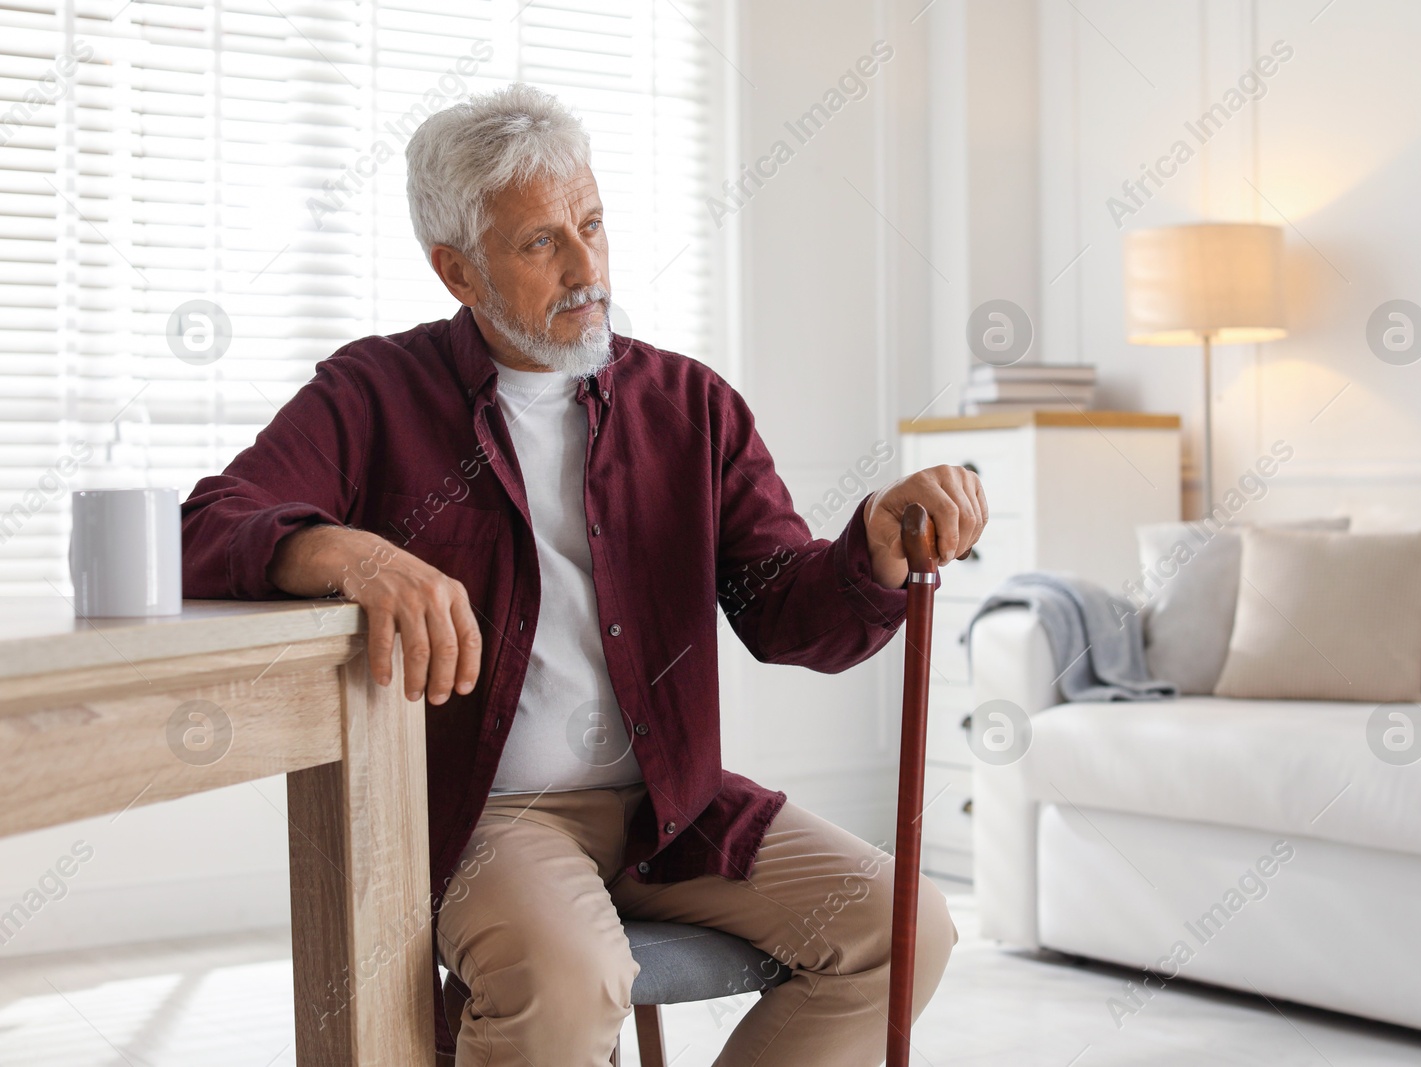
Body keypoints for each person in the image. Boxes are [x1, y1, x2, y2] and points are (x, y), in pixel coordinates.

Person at [180, 83, 986, 1066]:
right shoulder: (373, 392)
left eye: (592, 225)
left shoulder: (690, 404)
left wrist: (869, 548)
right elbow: (211, 523)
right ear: (458, 273)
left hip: (675, 804)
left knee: (906, 928)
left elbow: (783, 611)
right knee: (569, 979)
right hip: (490, 812)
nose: (585, 265)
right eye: (539, 244)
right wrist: (348, 551)